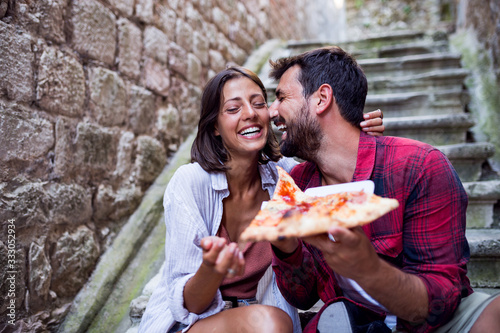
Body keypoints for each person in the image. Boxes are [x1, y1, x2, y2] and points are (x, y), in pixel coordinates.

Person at [268, 46, 500, 333]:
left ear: (322, 99)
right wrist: (285, 248)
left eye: (281, 98)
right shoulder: (298, 184)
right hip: (350, 322)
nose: (271, 111)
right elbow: (302, 297)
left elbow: (441, 301)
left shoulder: (419, 165)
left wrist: (370, 270)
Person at [138, 66, 385, 333]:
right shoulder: (189, 183)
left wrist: (357, 138)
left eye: (258, 104)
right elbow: (192, 305)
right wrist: (212, 268)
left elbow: (336, 174)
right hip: (192, 323)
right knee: (271, 322)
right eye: (233, 109)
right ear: (215, 127)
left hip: (267, 316)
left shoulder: (287, 177)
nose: (250, 114)